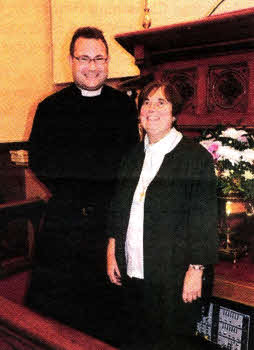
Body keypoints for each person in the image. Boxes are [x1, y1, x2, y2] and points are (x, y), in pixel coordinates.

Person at [26, 27, 139, 344]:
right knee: (56, 318)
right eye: (85, 58)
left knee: (107, 317)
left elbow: (130, 163)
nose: (92, 66)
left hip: (107, 223)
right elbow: (40, 161)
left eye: (99, 58)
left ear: (108, 61)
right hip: (66, 219)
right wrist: (75, 191)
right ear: (72, 61)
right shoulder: (51, 107)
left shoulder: (123, 107)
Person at [107, 81, 218, 349]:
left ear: (174, 113)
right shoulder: (132, 156)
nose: (152, 109)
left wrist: (196, 269)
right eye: (146, 102)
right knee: (136, 338)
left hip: (174, 276)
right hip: (133, 269)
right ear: (139, 112)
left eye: (161, 102)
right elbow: (118, 207)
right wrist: (112, 249)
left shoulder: (195, 158)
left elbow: (204, 217)